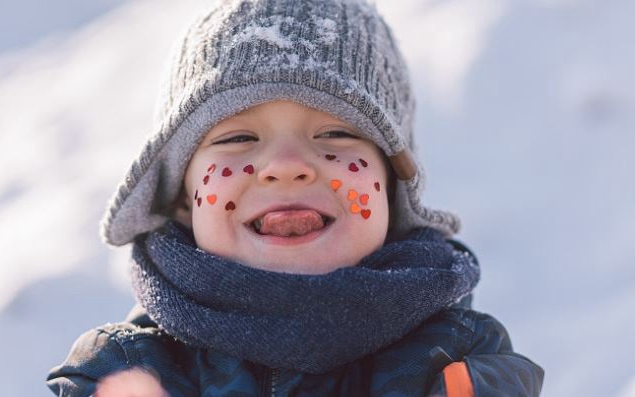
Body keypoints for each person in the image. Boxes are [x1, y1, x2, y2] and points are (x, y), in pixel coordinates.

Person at [46, 0, 544, 395]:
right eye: (237, 138)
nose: (286, 166)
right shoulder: (132, 370)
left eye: (333, 133)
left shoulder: (452, 358)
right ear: (183, 196)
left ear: (394, 188)